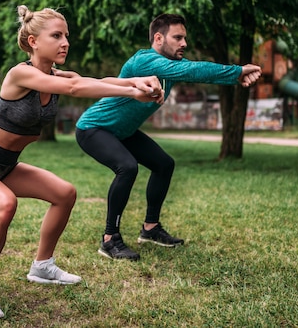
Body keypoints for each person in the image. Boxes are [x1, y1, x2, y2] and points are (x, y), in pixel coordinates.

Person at [0, 5, 163, 321]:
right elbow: (76, 88)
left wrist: (137, 84)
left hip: (5, 166)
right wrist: (134, 91)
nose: (65, 42)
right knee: (4, 204)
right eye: (56, 36)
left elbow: (94, 81)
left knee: (64, 193)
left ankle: (43, 266)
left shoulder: (56, 75)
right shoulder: (20, 74)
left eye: (66, 36)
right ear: (33, 41)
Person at [75, 13, 262, 261]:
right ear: (159, 38)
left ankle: (150, 228)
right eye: (178, 37)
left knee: (164, 164)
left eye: (185, 38)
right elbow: (194, 70)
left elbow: (190, 71)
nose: (184, 43)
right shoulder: (146, 61)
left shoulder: (168, 70)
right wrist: (237, 71)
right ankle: (110, 240)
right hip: (94, 127)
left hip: (123, 132)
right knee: (127, 167)